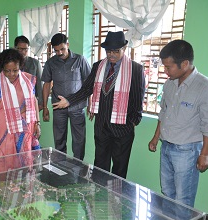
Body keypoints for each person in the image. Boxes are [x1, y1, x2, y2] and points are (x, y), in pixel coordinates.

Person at [53, 31, 145, 179]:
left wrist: (133, 122)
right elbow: (86, 89)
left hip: (123, 128)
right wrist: (69, 100)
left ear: (125, 49)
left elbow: (138, 99)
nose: (112, 55)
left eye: (116, 51)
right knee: (100, 168)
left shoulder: (135, 69)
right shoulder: (98, 66)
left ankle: (115, 199)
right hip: (102, 126)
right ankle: (100, 198)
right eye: (109, 51)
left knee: (119, 170)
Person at [148, 40, 208, 215]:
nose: (165, 70)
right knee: (168, 193)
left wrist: (205, 154)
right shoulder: (170, 83)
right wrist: (156, 137)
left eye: (168, 67)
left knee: (183, 199)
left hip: (187, 151)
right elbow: (164, 113)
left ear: (184, 64)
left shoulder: (205, 87)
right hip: (166, 147)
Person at [0, 48, 41, 174]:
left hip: (25, 128)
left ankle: (22, 189)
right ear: (2, 68)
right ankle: (3, 188)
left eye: (15, 70)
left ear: (20, 66)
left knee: (24, 162)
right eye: (7, 71)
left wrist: (37, 123)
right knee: (3, 159)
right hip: (2, 128)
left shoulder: (27, 80)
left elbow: (33, 101)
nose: (11, 74)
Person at [42, 33, 91, 160]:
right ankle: (60, 166)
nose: (60, 53)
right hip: (58, 108)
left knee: (79, 140)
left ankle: (77, 166)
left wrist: (91, 104)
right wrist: (45, 107)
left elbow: (89, 84)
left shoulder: (80, 60)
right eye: (56, 50)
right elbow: (46, 85)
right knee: (59, 139)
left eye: (62, 49)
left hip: (77, 107)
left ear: (67, 45)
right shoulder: (50, 63)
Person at [14, 35, 44, 110]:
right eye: (20, 49)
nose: (23, 52)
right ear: (15, 48)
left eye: (25, 49)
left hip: (31, 100)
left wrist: (41, 102)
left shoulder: (35, 63)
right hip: (14, 101)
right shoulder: (10, 63)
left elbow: (39, 84)